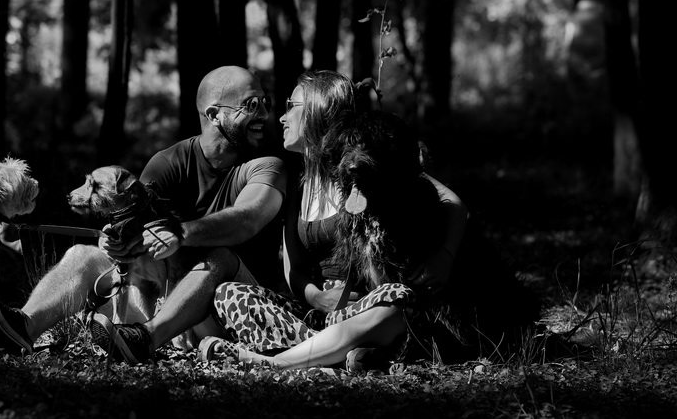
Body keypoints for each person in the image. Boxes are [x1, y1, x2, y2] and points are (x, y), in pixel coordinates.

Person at [202, 71, 538, 370]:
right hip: (322, 315)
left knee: (396, 299)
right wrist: (315, 297)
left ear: (318, 111)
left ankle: (277, 362)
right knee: (229, 293)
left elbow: (452, 202)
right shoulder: (295, 182)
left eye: (292, 105)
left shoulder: (376, 170)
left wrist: (445, 258)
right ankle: (328, 353)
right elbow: (293, 269)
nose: (281, 116)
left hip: (373, 308)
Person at [0, 65, 287, 364]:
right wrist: (118, 246)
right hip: (165, 299)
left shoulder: (266, 166)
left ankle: (145, 338)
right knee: (83, 256)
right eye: (251, 105)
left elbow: (249, 217)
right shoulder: (170, 162)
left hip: (234, 304)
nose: (264, 114)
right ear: (214, 114)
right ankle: (22, 326)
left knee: (218, 257)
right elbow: (126, 223)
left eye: (265, 103)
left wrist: (180, 232)